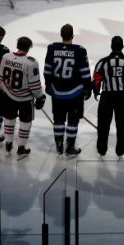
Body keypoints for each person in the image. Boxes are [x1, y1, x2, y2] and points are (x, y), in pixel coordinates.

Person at [44, 24, 91, 156]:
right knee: (73, 120)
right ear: (72, 35)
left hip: (57, 92)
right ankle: (70, 147)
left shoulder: (52, 48)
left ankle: (59, 145)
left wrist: (48, 85)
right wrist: (88, 88)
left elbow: (47, 70)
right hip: (74, 93)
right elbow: (85, 73)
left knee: (58, 119)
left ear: (61, 35)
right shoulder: (80, 50)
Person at [0, 36, 45, 159]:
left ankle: (8, 144)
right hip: (25, 100)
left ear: (17, 45)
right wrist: (40, 97)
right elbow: (34, 85)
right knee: (25, 122)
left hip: (8, 97)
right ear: (29, 48)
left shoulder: (6, 57)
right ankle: (21, 148)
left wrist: (8, 92)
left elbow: (0, 79)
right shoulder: (31, 62)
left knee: (9, 118)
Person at [94, 36, 124, 157]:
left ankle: (102, 149)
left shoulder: (102, 62)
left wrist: (96, 92)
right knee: (122, 126)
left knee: (103, 125)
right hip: (123, 97)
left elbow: (97, 80)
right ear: (122, 46)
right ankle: (120, 150)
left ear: (111, 46)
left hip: (107, 97)